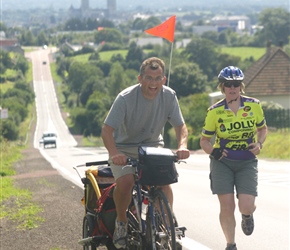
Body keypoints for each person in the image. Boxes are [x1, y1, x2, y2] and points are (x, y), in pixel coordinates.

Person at [101, 57, 190, 249]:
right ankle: (122, 222)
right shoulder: (125, 98)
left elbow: (180, 126)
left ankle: (166, 227)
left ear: (164, 79)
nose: (153, 83)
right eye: (149, 78)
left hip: (153, 147)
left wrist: (182, 145)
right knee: (126, 182)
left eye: (158, 78)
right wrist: (115, 152)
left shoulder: (169, 95)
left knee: (164, 183)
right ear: (140, 78)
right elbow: (107, 130)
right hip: (125, 148)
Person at [200, 66, 267, 250]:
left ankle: (247, 215)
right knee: (227, 206)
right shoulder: (215, 111)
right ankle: (231, 244)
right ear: (222, 87)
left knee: (246, 206)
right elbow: (204, 140)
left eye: (236, 84)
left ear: (241, 86)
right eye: (228, 84)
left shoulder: (254, 105)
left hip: (246, 160)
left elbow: (262, 129)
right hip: (223, 162)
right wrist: (213, 151)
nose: (232, 88)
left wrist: (259, 144)